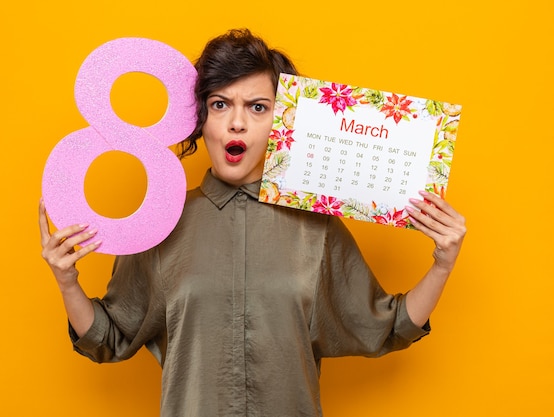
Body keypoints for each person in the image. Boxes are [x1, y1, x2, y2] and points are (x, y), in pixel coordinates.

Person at [39, 28, 466, 417]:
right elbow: (110, 337)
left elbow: (386, 326)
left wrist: (443, 263)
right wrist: (67, 282)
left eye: (257, 107)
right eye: (220, 104)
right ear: (200, 118)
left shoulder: (317, 229)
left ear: (281, 123)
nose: (237, 122)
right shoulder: (160, 222)